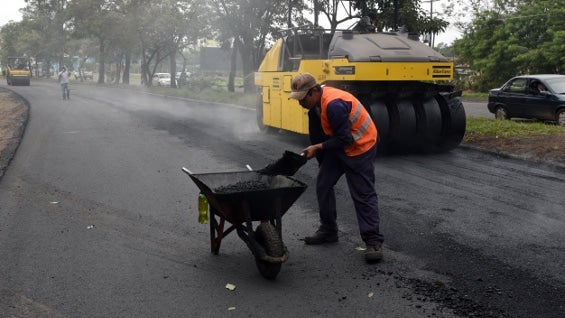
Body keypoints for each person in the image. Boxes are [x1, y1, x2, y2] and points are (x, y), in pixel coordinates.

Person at [288, 73, 384, 262]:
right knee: (323, 184)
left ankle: (373, 242)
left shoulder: (334, 105)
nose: (300, 103)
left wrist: (318, 148)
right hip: (340, 147)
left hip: (360, 147)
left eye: (302, 98)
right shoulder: (315, 108)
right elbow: (319, 138)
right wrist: (321, 161)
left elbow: (345, 139)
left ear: (314, 91)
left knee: (363, 195)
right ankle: (329, 231)